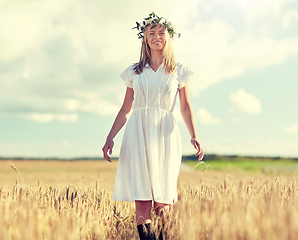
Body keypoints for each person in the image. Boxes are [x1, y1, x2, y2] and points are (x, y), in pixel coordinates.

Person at [102, 12, 204, 240]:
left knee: (163, 202)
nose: (157, 36)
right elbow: (125, 108)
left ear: (169, 37)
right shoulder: (134, 71)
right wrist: (110, 138)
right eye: (151, 33)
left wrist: (194, 135)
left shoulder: (179, 70)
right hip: (137, 135)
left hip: (165, 135)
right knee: (142, 201)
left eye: (161, 32)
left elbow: (185, 107)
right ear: (145, 39)